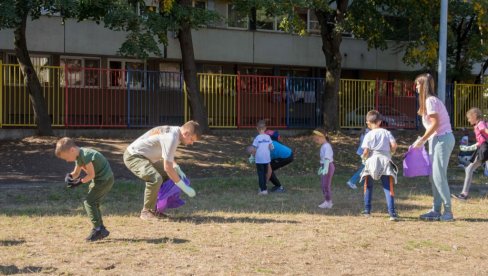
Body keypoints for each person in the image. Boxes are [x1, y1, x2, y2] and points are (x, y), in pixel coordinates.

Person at [123, 120, 201, 221]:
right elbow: (167, 167)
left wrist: (177, 168)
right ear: (186, 133)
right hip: (133, 156)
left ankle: (155, 210)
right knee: (155, 178)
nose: (191, 143)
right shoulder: (172, 137)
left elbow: (167, 156)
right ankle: (146, 211)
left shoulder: (175, 132)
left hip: (146, 157)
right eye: (191, 139)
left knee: (170, 175)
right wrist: (183, 186)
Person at [412, 73, 455, 221]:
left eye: (418, 84)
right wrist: (423, 139)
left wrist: (423, 139)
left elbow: (436, 124)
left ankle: (448, 212)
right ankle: (436, 209)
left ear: (423, 85)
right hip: (437, 140)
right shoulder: (429, 101)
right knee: (433, 177)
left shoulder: (430, 101)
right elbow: (432, 126)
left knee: (438, 176)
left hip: (442, 139)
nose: (416, 87)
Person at [55, 137, 114, 242]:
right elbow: (76, 173)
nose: (67, 161)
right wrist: (69, 176)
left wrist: (79, 182)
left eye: (66, 157)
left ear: (72, 150)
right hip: (99, 180)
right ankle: (100, 228)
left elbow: (91, 175)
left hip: (104, 180)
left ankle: (98, 229)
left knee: (89, 202)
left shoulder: (86, 155)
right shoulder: (79, 156)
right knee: (93, 203)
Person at [360, 110, 398, 221]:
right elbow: (394, 145)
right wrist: (391, 152)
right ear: (380, 122)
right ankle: (392, 213)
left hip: (372, 161)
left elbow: (366, 151)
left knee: (368, 186)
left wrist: (363, 158)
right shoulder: (386, 132)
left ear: (368, 123)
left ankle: (367, 210)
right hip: (385, 161)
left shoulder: (368, 134)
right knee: (387, 187)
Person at [453, 107, 488, 201]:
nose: (468, 120)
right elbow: (482, 138)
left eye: (469, 118)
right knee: (469, 169)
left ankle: (464, 194)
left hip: (485, 149)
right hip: (483, 147)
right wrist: (472, 146)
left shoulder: (480, 124)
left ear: (474, 116)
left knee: (469, 169)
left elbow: (485, 131)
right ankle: (464, 194)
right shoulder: (480, 123)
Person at [312, 128, 335, 209]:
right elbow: (323, 159)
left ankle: (328, 202)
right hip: (324, 166)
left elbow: (327, 158)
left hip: (328, 166)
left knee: (325, 185)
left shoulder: (327, 146)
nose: (316, 141)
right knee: (323, 185)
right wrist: (322, 168)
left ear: (322, 137)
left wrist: (325, 167)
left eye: (317, 139)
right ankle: (327, 200)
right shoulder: (324, 146)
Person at [250, 120, 274, 195]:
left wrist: (252, 157)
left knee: (260, 174)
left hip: (259, 159)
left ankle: (263, 190)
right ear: (265, 128)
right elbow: (271, 147)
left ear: (257, 128)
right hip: (267, 159)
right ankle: (264, 187)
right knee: (264, 173)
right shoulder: (268, 137)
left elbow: (254, 149)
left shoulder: (257, 138)